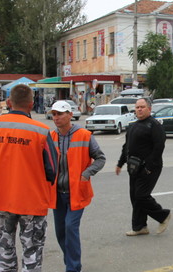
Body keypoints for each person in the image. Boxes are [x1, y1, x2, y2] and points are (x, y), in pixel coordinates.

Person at [0, 84, 57, 272]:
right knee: (32, 250)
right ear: (31, 105)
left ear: (8, 102)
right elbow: (52, 170)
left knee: (4, 248)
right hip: (31, 201)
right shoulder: (41, 131)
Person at [49, 100, 106, 272]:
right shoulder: (50, 137)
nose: (56, 117)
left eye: (60, 114)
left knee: (70, 228)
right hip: (57, 194)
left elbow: (101, 159)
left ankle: (73, 268)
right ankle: (71, 263)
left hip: (77, 192)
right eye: (54, 114)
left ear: (70, 115)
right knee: (60, 232)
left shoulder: (84, 135)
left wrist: (85, 174)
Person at [116, 97, 171, 236]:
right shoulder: (133, 125)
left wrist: (149, 167)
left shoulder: (154, 125)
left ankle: (163, 216)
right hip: (134, 168)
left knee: (141, 195)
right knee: (134, 197)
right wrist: (120, 163)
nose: (139, 109)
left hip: (150, 168)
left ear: (149, 109)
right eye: (137, 107)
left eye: (142, 107)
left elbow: (159, 147)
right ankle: (140, 227)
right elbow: (126, 147)